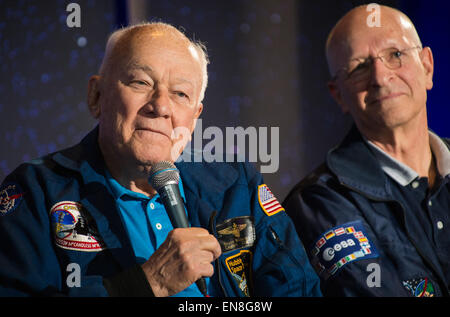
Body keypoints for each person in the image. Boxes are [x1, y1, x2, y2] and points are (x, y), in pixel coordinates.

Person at [0, 22, 321, 297]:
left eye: (180, 93)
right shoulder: (36, 190)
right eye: (140, 82)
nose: (160, 106)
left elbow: (298, 288)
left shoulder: (236, 185)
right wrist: (149, 282)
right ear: (96, 96)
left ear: (194, 118)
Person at [283, 5, 449, 297]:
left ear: (427, 67)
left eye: (395, 55)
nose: (380, 77)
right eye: (359, 67)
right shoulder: (318, 203)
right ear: (339, 94)